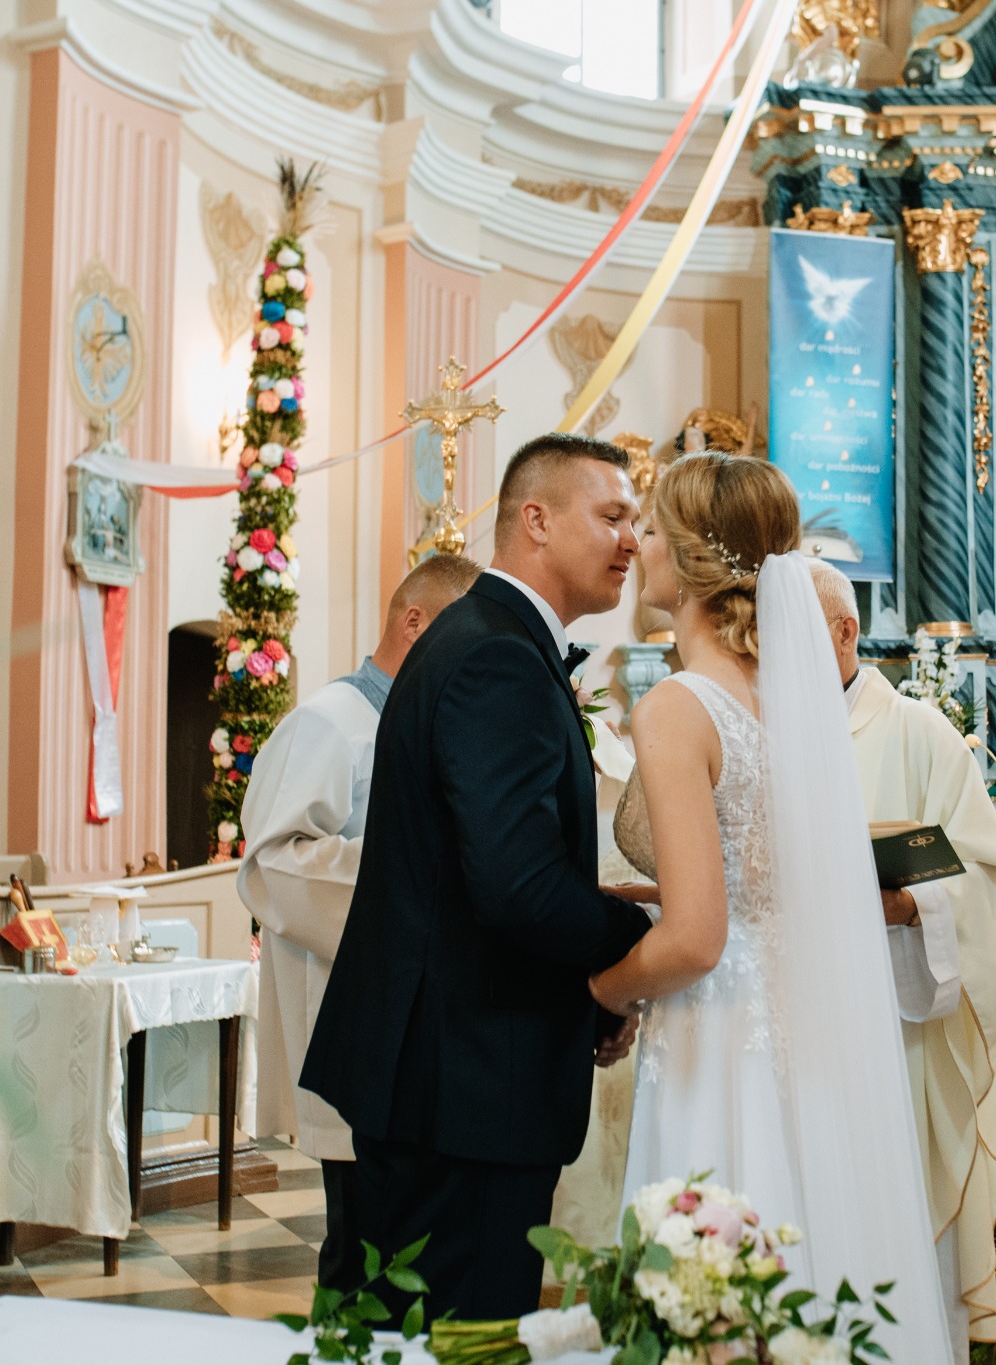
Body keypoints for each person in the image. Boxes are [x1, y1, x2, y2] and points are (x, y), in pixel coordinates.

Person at [597, 452, 954, 1363]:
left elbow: (695, 937)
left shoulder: (680, 706)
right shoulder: (792, 704)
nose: (636, 543)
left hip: (717, 1039)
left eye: (652, 527)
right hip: (805, 1025)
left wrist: (603, 984)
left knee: (716, 1282)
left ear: (691, 557)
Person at [300, 433, 652, 1320]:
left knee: (407, 1333)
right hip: (462, 1090)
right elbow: (517, 885)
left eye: (636, 523)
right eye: (611, 515)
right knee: (457, 1334)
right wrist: (629, 952)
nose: (632, 542)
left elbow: (481, 874)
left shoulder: (491, 640)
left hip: (446, 1077)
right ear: (535, 518)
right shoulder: (497, 655)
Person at [237, 551, 482, 1292]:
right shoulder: (330, 723)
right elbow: (274, 863)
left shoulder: (425, 720)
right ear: (415, 622)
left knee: (417, 1243)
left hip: (424, 1023)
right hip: (355, 1019)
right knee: (363, 1247)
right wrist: (416, 878)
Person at [807, 560, 996, 1363]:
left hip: (898, 1027)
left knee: (891, 1215)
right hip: (799, 1021)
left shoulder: (918, 734)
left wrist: (904, 905)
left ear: (843, 631)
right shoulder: (768, 729)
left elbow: (994, 884)